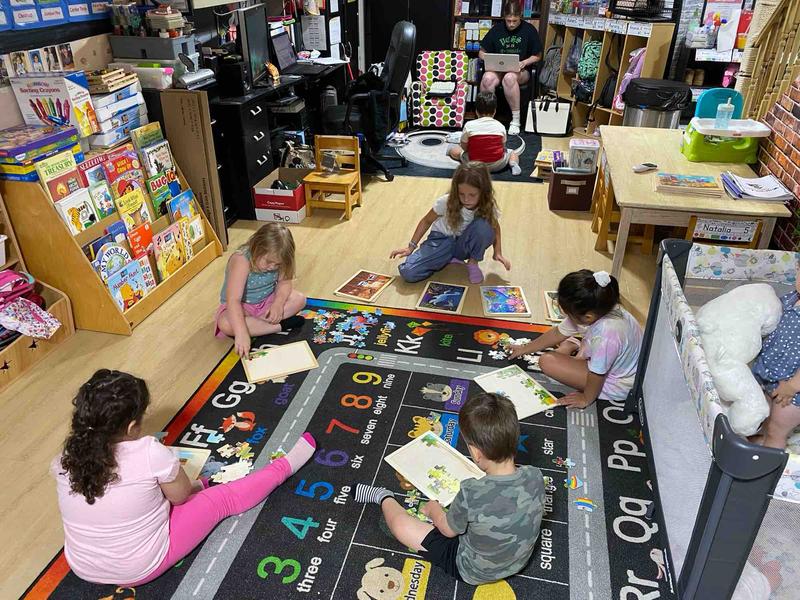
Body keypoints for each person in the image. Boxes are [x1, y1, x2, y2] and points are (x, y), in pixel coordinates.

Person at [51, 369, 317, 585]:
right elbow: (179, 498)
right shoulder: (149, 451)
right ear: (132, 427)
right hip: (138, 567)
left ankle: (205, 484)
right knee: (221, 500)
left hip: (81, 565)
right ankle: (285, 466)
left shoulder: (66, 454)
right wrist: (196, 486)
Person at [352, 393, 545, 585]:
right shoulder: (536, 475)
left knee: (402, 526)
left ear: (477, 453)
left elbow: (448, 530)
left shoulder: (471, 491)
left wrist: (433, 510)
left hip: (472, 570)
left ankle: (383, 496)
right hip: (518, 563)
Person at [509, 270, 642, 408]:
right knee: (563, 344)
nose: (567, 317)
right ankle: (570, 348)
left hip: (616, 382)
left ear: (588, 317)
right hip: (605, 360)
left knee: (546, 361)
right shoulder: (601, 306)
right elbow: (557, 333)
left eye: (569, 314)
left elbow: (597, 374)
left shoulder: (608, 334)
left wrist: (586, 398)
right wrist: (524, 348)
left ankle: (569, 348)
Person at [389, 162, 511, 284]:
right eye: (461, 194)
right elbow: (426, 221)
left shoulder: (488, 205)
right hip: (440, 241)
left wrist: (498, 252)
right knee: (408, 272)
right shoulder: (446, 201)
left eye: (472, 195)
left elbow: (495, 227)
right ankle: (445, 259)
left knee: (485, 226)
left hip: (463, 245)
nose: (466, 199)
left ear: (483, 191)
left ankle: (472, 262)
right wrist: (411, 247)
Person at [215, 223, 307, 357]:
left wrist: (278, 304)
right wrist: (241, 333)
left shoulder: (278, 260)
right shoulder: (241, 260)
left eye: (277, 264)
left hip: (267, 303)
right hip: (241, 307)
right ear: (257, 247)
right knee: (225, 324)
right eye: (269, 262)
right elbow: (233, 300)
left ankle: (259, 325)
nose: (272, 267)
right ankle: (279, 325)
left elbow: (284, 283)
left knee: (299, 299)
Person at [751, 270, 800, 449]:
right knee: (762, 415)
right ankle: (761, 442)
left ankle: (766, 466)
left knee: (777, 427)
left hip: (793, 390)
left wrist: (792, 386)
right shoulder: (790, 298)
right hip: (767, 373)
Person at [479, 0, 543, 135]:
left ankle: (515, 121)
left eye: (515, 20)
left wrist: (524, 63)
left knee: (509, 78)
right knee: (487, 78)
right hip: (498, 69)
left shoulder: (529, 30)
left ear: (520, 16)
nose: (511, 24)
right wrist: (489, 58)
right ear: (504, 17)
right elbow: (481, 52)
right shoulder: (496, 29)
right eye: (508, 21)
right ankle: (486, 118)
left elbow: (537, 56)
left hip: (520, 71)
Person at [447, 92, 522, 176]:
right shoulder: (500, 126)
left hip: (474, 165)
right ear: (494, 111)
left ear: (476, 111)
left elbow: (464, 146)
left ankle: (449, 150)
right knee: (512, 153)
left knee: (456, 150)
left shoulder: (469, 125)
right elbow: (503, 146)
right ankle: (513, 164)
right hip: (497, 165)